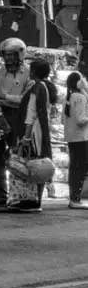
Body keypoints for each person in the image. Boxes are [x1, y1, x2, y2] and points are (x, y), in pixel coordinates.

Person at [0, 38, 33, 206]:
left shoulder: (28, 73)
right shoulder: (2, 71)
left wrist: (6, 96)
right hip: (1, 114)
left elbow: (25, 100)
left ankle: (17, 195)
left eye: (11, 55)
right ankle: (0, 194)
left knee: (16, 155)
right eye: (6, 55)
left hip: (17, 116)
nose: (8, 59)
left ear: (20, 55)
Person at [10, 57, 58, 212]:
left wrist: (26, 137)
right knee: (40, 163)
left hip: (34, 132)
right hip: (42, 130)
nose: (29, 72)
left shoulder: (37, 88)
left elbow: (31, 115)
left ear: (35, 72)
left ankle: (32, 200)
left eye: (31, 70)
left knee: (33, 165)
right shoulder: (46, 87)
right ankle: (37, 199)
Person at [64, 72, 88, 209]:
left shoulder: (69, 97)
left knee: (74, 167)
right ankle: (75, 199)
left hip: (72, 137)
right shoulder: (80, 97)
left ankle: (74, 197)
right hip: (81, 137)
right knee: (81, 167)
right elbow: (81, 120)